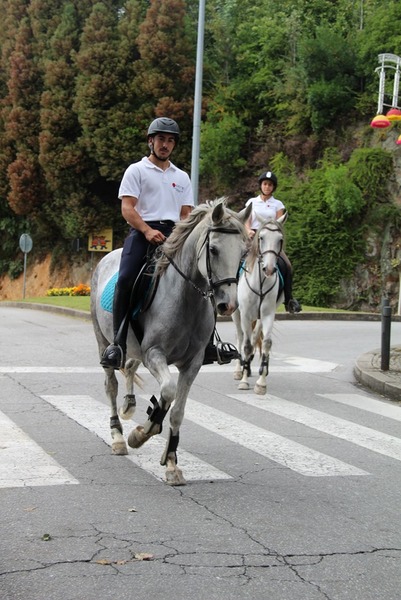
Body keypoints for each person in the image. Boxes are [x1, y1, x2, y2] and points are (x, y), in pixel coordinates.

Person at [100, 117, 233, 369]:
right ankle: (117, 344)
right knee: (126, 278)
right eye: (161, 139)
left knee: (204, 278)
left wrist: (184, 236)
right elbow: (127, 208)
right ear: (151, 141)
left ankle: (208, 345)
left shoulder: (181, 176)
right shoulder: (136, 171)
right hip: (143, 233)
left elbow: (186, 214)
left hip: (176, 234)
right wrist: (147, 230)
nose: (165, 144)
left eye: (170, 141)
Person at [245, 170, 302, 314]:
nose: (267, 187)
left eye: (270, 185)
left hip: (270, 241)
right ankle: (230, 296)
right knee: (234, 260)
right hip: (253, 239)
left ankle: (289, 300)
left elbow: (279, 223)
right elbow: (246, 220)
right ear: (261, 185)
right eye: (265, 184)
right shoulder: (252, 202)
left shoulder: (278, 204)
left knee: (287, 265)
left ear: (273, 187)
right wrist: (249, 231)